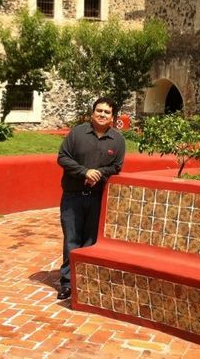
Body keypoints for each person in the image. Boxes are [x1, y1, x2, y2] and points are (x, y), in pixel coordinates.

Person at [56, 96, 126, 300]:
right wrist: (84, 172)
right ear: (92, 113)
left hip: (97, 198)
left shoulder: (118, 140)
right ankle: (68, 283)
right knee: (71, 239)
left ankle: (84, 282)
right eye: (99, 110)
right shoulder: (77, 133)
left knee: (90, 241)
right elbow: (63, 157)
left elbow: (116, 167)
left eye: (107, 112)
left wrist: (98, 174)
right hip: (73, 196)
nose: (102, 114)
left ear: (112, 117)